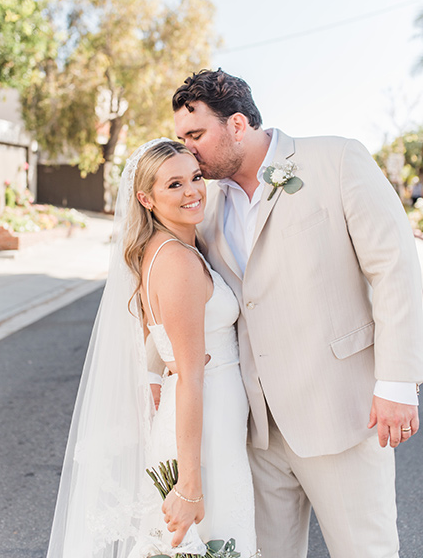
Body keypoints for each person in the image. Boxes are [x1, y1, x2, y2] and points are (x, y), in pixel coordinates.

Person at [168, 68, 423, 558]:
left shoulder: (336, 159)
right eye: (181, 138)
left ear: (238, 124)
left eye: (196, 135)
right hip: (256, 428)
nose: (188, 151)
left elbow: (396, 269)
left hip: (342, 412)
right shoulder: (206, 199)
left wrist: (397, 382)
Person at [46, 138, 256, 558]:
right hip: (203, 430)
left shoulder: (168, 249)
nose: (192, 191)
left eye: (195, 177)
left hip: (212, 423)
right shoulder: (176, 261)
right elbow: (193, 376)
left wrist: (155, 374)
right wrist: (190, 483)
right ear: (146, 198)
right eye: (173, 184)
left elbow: (156, 339)